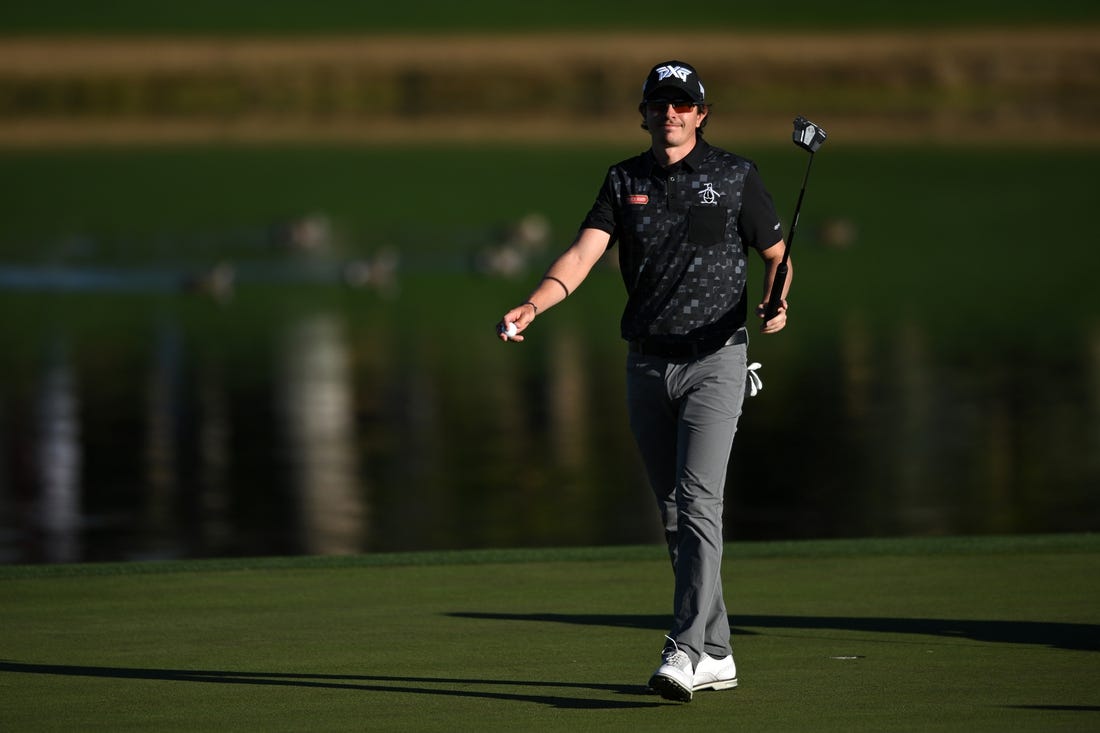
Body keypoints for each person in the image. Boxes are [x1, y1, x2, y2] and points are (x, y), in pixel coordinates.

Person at [496, 60, 790, 703]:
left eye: (683, 105)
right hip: (646, 365)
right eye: (660, 104)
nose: (671, 114)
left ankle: (683, 649)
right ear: (645, 113)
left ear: (701, 114)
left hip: (716, 359)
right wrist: (534, 304)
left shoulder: (736, 176)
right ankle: (716, 650)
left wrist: (778, 299)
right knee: (673, 514)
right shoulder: (623, 179)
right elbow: (581, 254)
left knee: (699, 502)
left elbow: (777, 257)